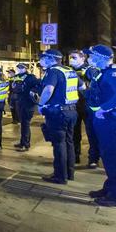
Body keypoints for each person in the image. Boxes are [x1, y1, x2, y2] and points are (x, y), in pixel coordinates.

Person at [36, 49, 84, 185]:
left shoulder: (53, 71)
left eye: (43, 58)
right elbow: (82, 86)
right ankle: (69, 173)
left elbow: (48, 89)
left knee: (59, 144)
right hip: (71, 111)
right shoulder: (69, 70)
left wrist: (41, 104)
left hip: (58, 113)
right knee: (69, 142)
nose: (41, 60)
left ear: (51, 59)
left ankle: (59, 176)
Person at [85, 44, 116, 206]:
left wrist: (102, 110)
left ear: (102, 57)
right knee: (107, 155)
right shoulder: (104, 73)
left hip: (111, 120)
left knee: (113, 156)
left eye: (92, 55)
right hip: (106, 120)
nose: (89, 58)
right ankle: (110, 188)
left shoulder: (113, 74)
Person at [69, 50, 100, 167]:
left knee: (91, 133)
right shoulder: (69, 70)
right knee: (74, 133)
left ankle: (93, 159)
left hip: (87, 105)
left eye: (74, 57)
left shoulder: (90, 69)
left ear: (83, 58)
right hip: (74, 105)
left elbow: (95, 85)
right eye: (71, 57)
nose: (71, 59)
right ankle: (75, 156)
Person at [13, 63, 40, 152]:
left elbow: (39, 86)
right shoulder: (16, 77)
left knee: (25, 124)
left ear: (26, 69)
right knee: (23, 124)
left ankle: (26, 144)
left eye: (21, 68)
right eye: (18, 68)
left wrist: (32, 92)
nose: (19, 69)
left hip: (28, 103)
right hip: (19, 102)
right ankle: (22, 142)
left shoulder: (30, 77)